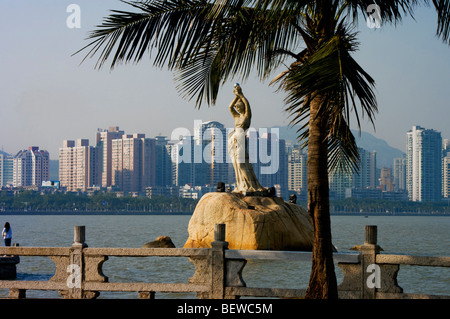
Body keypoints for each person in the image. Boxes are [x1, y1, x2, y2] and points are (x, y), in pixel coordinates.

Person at [228, 84, 265, 194]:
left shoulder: (246, 116)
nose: (237, 108)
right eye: (237, 107)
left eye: (239, 106)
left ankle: (249, 185)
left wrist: (241, 95)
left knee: (241, 162)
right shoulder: (236, 116)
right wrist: (236, 96)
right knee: (235, 163)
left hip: (241, 139)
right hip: (233, 138)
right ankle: (241, 185)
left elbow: (247, 105)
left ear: (243, 107)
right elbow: (230, 107)